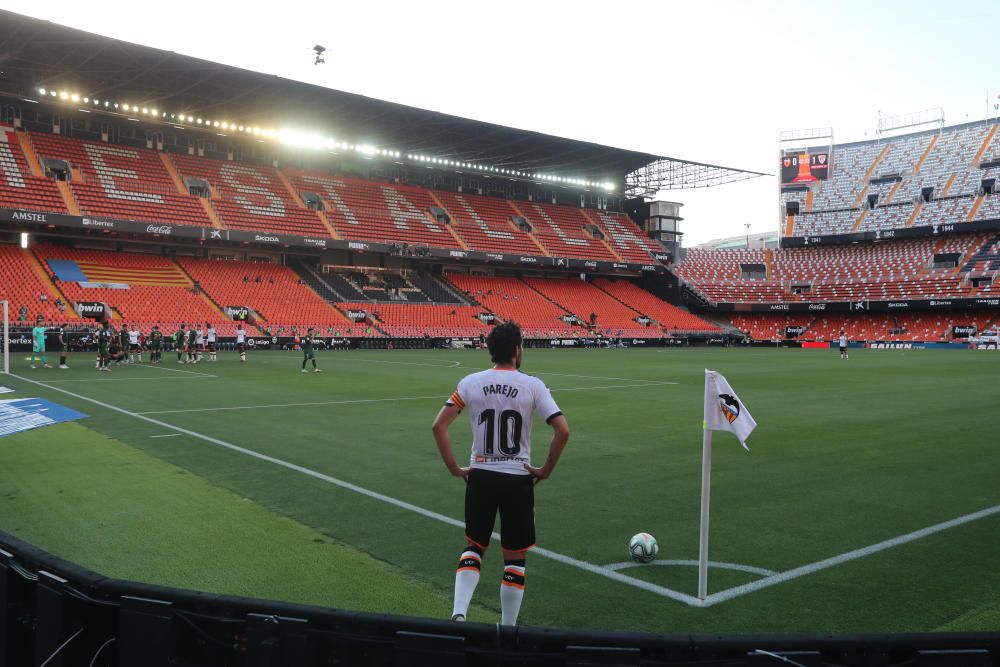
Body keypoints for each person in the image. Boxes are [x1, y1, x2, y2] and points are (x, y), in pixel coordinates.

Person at [431, 322, 570, 626]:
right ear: (517, 350)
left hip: (480, 475)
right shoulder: (533, 385)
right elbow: (562, 430)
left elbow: (438, 426)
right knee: (515, 556)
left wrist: (455, 468)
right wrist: (545, 470)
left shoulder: (470, 382)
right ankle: (507, 629)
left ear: (491, 351)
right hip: (517, 479)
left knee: (475, 546)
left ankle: (458, 614)